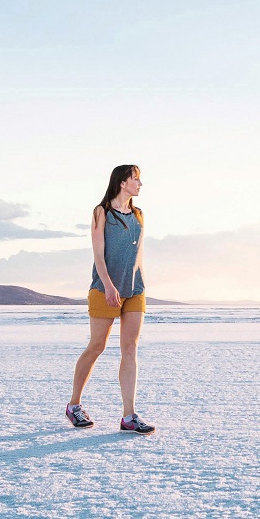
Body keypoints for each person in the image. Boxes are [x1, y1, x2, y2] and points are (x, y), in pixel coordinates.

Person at [66, 164, 155, 434]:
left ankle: (129, 415)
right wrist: (108, 285)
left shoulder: (139, 214)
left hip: (135, 289)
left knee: (130, 349)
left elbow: (136, 254)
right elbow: (98, 254)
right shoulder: (101, 212)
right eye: (135, 179)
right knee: (97, 346)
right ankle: (74, 405)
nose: (140, 184)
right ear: (122, 182)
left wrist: (136, 282)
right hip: (105, 288)